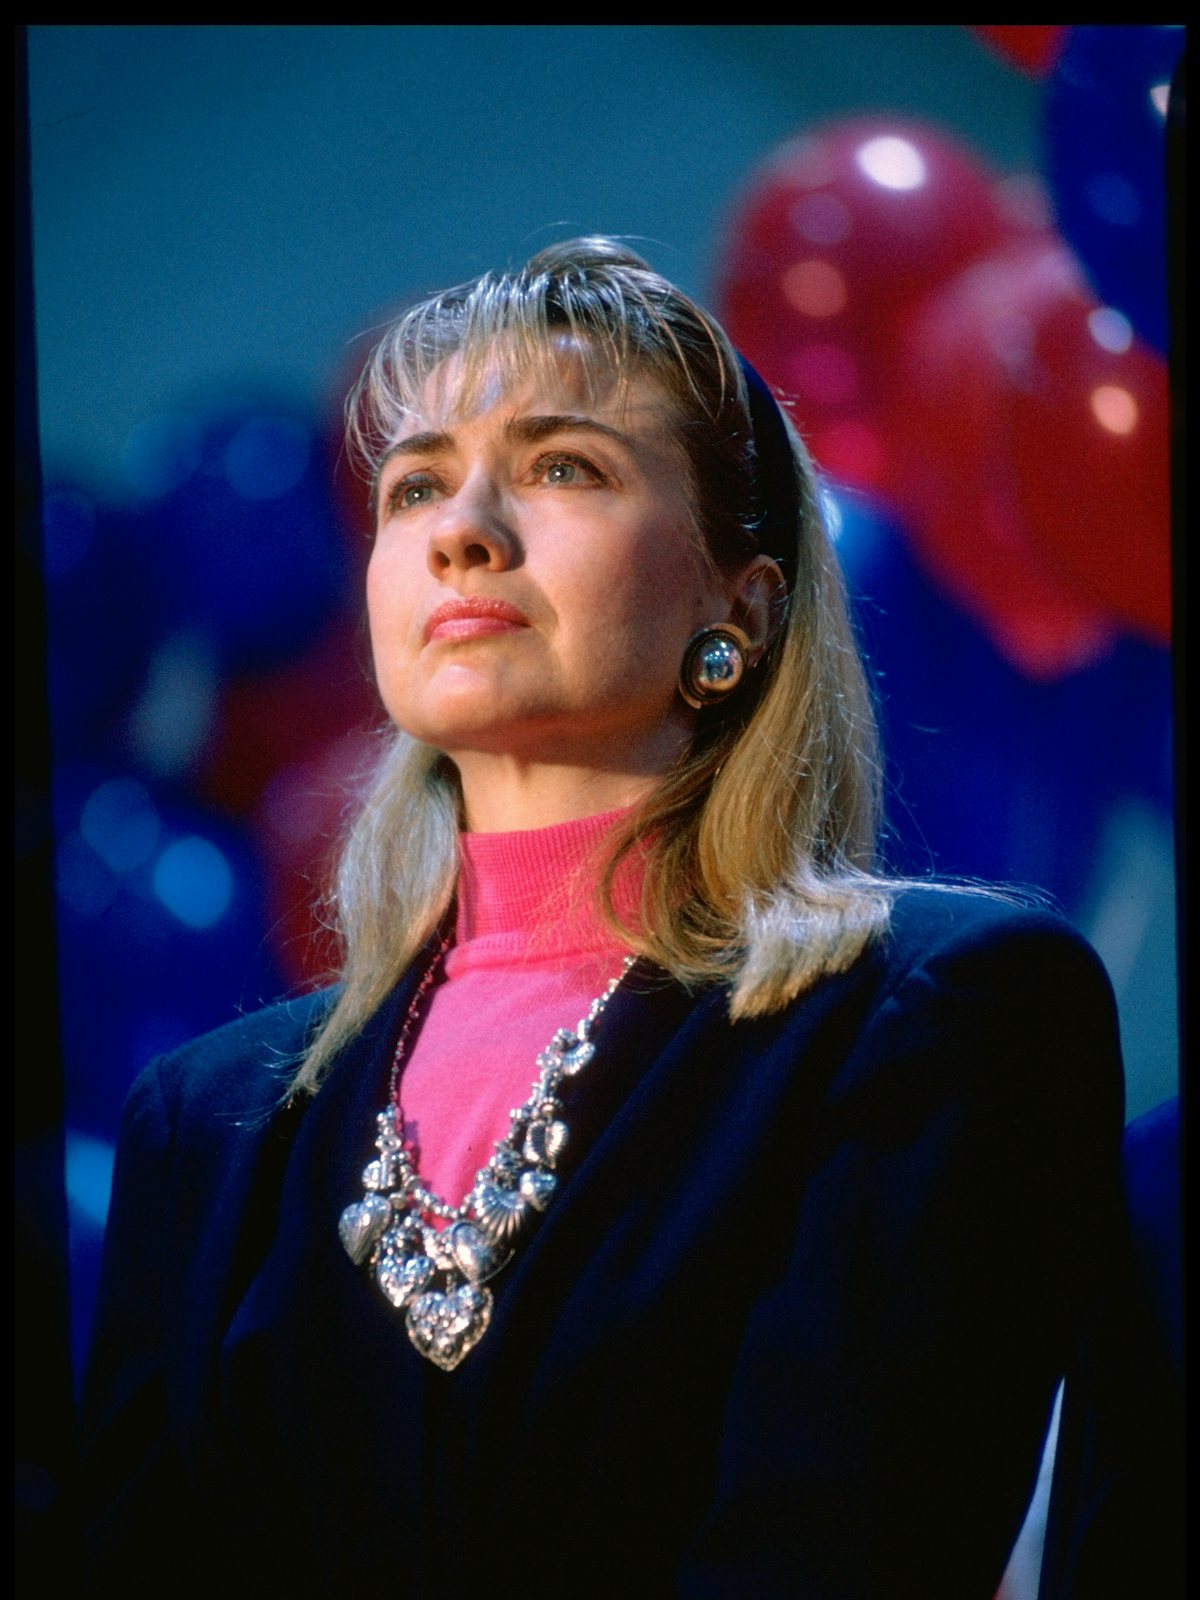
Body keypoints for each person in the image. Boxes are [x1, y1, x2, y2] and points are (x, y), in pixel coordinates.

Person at [77, 238, 1124, 1597]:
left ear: (738, 602)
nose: (461, 530)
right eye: (415, 486)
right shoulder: (202, 1127)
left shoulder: (941, 1008)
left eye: (562, 467)